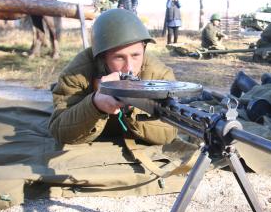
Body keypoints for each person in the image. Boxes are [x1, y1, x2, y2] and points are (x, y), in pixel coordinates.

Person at [49, 9, 177, 145]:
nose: (129, 68)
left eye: (135, 55)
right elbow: (59, 129)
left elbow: (169, 132)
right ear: (103, 57)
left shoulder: (159, 75)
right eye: (119, 57)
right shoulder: (77, 73)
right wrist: (95, 105)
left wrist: (133, 108)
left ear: (144, 49)